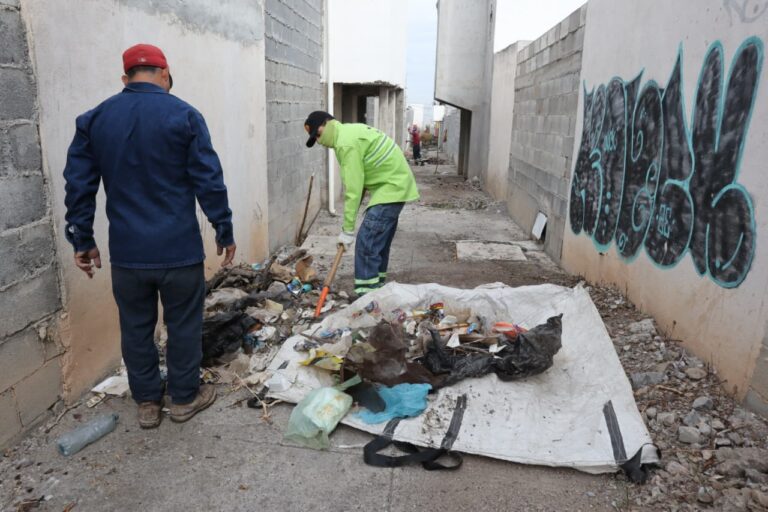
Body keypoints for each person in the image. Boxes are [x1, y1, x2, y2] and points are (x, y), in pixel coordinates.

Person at [63, 44, 236, 429]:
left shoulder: (94, 120)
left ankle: (146, 403)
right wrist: (223, 228)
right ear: (165, 73)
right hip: (179, 251)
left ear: (125, 79)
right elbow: (209, 180)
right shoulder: (185, 115)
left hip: (128, 255)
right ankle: (183, 398)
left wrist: (82, 240)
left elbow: (79, 186)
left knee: (136, 328)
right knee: (184, 326)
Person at [304, 111, 419, 295]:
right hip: (395, 187)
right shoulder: (348, 133)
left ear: (327, 122)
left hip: (390, 188)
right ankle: (378, 291)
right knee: (377, 246)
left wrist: (347, 230)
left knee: (367, 245)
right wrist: (349, 224)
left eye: (318, 134)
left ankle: (367, 299)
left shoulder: (345, 143)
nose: (319, 140)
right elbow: (361, 184)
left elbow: (353, 189)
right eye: (315, 138)